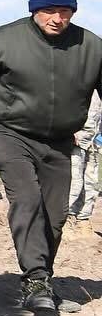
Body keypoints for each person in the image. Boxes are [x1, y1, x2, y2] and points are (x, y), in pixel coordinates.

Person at [0, 0, 102, 316]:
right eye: (49, 10)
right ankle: (36, 281)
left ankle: (41, 280)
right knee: (28, 199)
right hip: (8, 132)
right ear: (34, 10)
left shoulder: (91, 46)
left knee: (55, 214)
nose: (57, 18)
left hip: (59, 141)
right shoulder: (5, 40)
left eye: (65, 11)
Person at [67, 94, 102, 233]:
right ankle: (67, 218)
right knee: (74, 179)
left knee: (91, 181)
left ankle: (83, 219)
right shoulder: (83, 82)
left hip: (94, 140)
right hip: (76, 138)